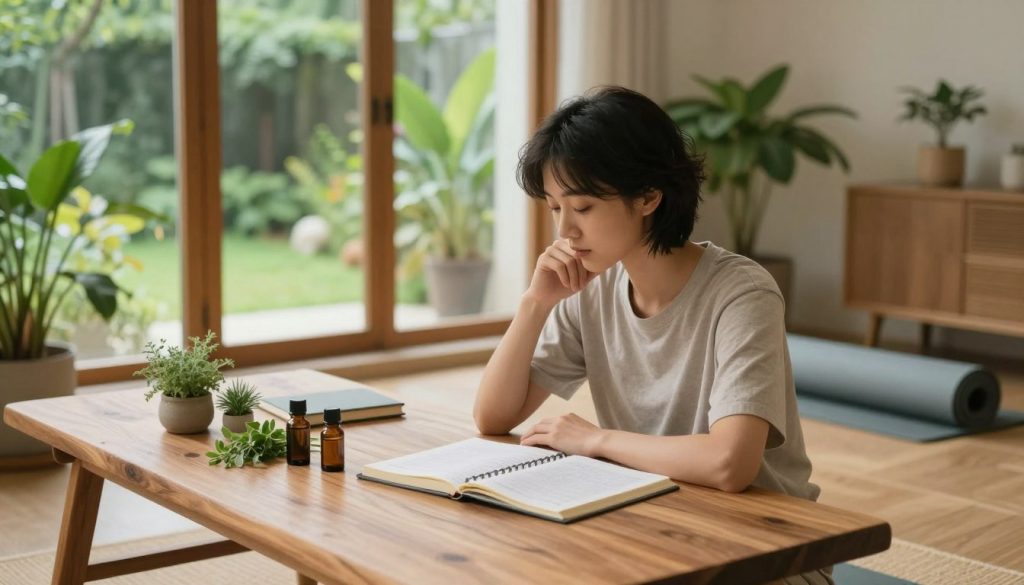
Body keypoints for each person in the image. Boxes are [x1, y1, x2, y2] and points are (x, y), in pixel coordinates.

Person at [473, 86, 831, 584]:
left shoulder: (743, 293)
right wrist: (534, 305)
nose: (565, 233)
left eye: (583, 208)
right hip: (655, 534)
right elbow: (493, 416)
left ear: (647, 197)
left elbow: (731, 464)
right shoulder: (591, 291)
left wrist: (596, 440)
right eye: (555, 209)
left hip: (766, 557)